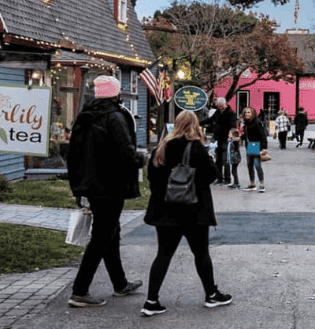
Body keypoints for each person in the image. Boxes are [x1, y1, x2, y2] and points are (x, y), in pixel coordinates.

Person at [141, 110, 232, 316]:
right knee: (201, 254)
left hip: (165, 211)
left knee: (163, 255)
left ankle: (151, 300)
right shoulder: (196, 148)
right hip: (193, 211)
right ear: (194, 126)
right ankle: (211, 294)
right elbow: (212, 175)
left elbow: (152, 177)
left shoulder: (161, 148)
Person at [66, 74, 145, 307]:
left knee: (111, 232)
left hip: (91, 183)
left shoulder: (85, 116)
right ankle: (79, 291)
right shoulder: (115, 117)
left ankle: (120, 283)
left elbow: (74, 152)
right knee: (101, 237)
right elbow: (124, 150)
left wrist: (78, 184)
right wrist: (140, 160)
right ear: (116, 93)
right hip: (111, 184)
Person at [210, 97, 237, 184]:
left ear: (224, 105)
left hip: (226, 139)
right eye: (218, 106)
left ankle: (227, 179)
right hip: (218, 139)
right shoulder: (218, 112)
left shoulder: (231, 113)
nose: (219, 108)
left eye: (221, 106)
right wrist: (198, 122)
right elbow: (211, 120)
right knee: (218, 160)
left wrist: (231, 134)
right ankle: (219, 178)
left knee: (225, 160)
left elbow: (233, 126)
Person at [241, 106, 267, 192]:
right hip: (249, 146)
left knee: (257, 165)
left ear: (252, 113)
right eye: (246, 112)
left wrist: (264, 148)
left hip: (257, 146)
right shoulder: (246, 123)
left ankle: (262, 184)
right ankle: (252, 184)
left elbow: (263, 135)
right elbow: (246, 135)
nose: (247, 114)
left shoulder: (257, 122)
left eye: (249, 112)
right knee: (249, 165)